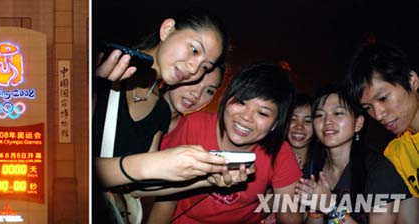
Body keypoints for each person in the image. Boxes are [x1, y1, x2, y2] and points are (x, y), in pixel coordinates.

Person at [91, 7, 231, 223]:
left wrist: (208, 177)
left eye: (205, 66)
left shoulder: (160, 109)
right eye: (194, 50)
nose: (194, 69)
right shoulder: (103, 65)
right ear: (167, 29)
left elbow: (139, 186)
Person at [148, 62, 302, 224]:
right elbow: (166, 198)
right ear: (227, 98)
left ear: (275, 124)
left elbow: (290, 214)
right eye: (241, 102)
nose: (246, 117)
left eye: (262, 113)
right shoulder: (195, 126)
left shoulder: (280, 152)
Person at [295, 84, 413, 223]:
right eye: (319, 115)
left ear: (358, 123)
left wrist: (331, 208)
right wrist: (316, 209)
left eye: (338, 113)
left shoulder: (378, 170)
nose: (327, 121)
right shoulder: (313, 168)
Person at [345, 42, 419, 221]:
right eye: (368, 107)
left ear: (412, 81)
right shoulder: (395, 153)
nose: (378, 115)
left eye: (383, 98)